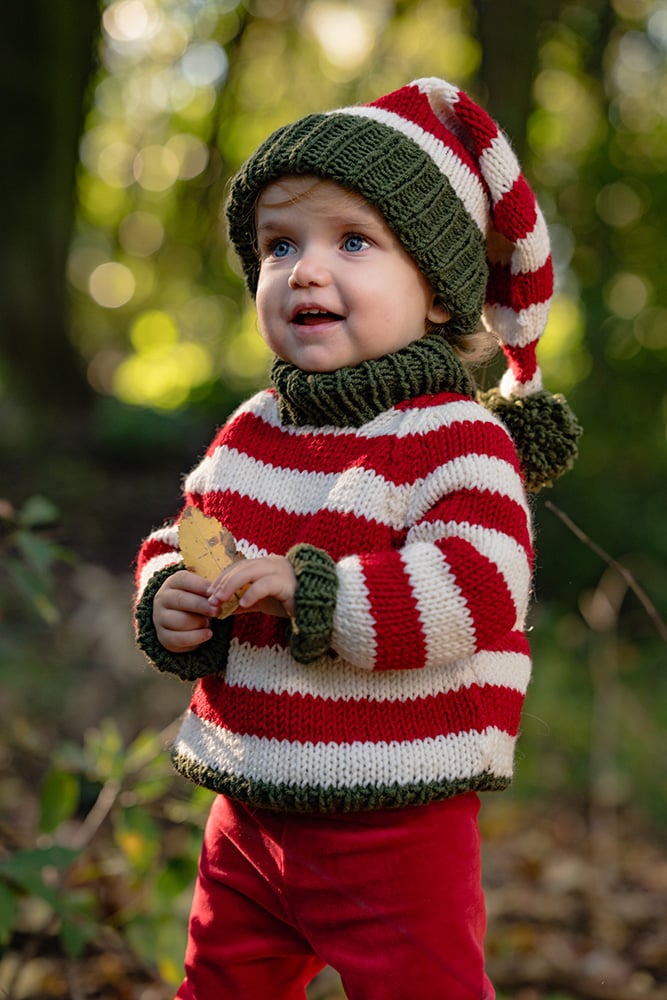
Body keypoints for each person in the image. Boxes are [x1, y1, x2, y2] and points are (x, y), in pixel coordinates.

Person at [134, 77, 581, 1000]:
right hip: (249, 805)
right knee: (220, 983)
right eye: (279, 244)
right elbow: (194, 536)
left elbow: (478, 584)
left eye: (352, 242)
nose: (304, 269)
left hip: (397, 816)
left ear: (436, 294)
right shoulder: (254, 428)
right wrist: (174, 595)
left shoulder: (452, 436)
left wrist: (317, 594)